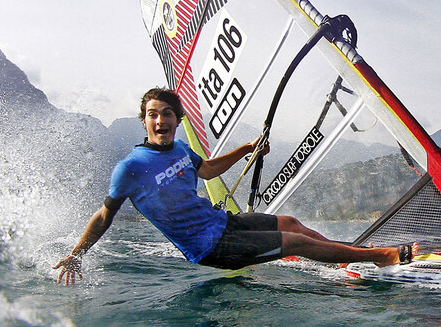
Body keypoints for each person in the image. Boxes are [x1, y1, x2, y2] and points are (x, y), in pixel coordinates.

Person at [54, 88, 413, 285]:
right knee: (295, 243)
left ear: (177, 120)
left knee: (288, 223)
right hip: (210, 247)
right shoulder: (131, 167)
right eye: (153, 114)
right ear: (144, 120)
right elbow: (104, 214)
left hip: (222, 223)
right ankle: (379, 257)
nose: (160, 120)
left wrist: (245, 150)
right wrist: (77, 253)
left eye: (166, 113)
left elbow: (207, 171)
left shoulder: (180, 148)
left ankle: (343, 260)